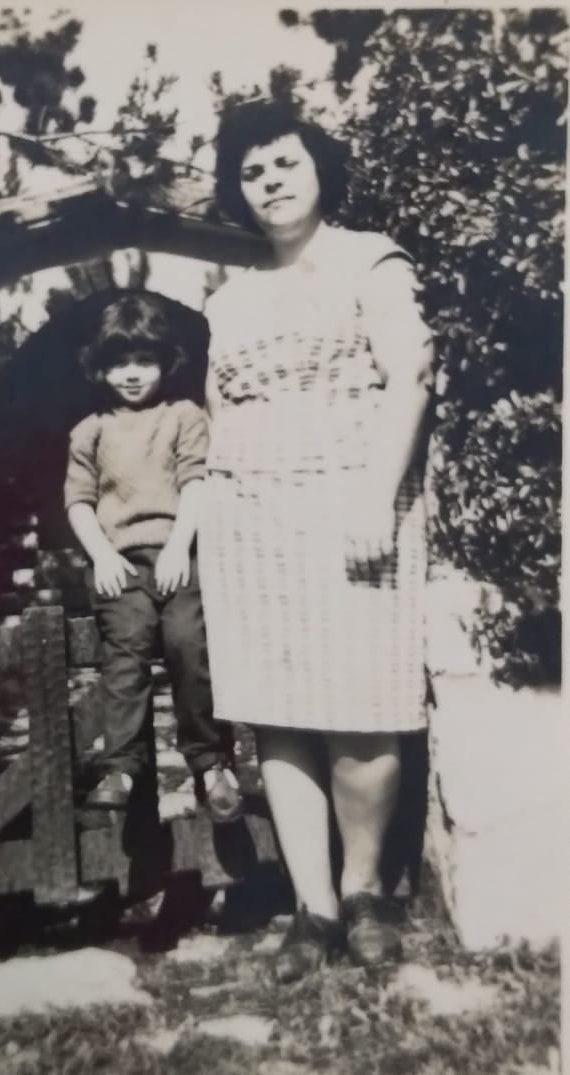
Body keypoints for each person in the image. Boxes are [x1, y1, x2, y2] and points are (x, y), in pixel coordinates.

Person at [199, 100, 433, 977]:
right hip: (253, 521)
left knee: (365, 709)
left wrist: (376, 498)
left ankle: (366, 887)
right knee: (281, 717)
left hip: (352, 510)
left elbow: (410, 376)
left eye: (284, 163)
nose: (269, 181)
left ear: (319, 169)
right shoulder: (230, 298)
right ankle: (313, 909)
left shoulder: (368, 258)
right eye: (252, 171)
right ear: (239, 190)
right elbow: (222, 414)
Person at [64, 290, 242, 824]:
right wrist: (101, 555)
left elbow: (196, 485)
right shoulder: (90, 430)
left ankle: (211, 765)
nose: (133, 373)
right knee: (127, 655)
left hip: (177, 559)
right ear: (101, 369)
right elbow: (77, 502)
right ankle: (121, 767)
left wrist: (180, 547)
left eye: (144, 360)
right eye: (119, 363)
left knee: (190, 645)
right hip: (121, 564)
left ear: (165, 362)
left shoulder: (184, 416)